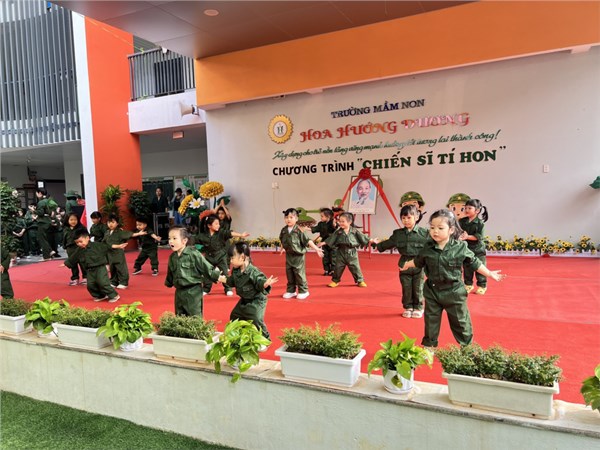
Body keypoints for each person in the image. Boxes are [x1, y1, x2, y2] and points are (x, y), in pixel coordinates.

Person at [401, 209, 506, 347]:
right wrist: (406, 265)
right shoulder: (427, 247)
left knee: (460, 322)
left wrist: (489, 273)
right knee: (431, 321)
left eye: (440, 228)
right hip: (432, 291)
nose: (435, 231)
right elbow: (418, 261)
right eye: (432, 227)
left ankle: (466, 347)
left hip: (454, 292)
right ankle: (429, 347)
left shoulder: (460, 247)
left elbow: (474, 262)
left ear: (451, 230)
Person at [374, 205, 429, 318]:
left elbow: (434, 244)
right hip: (404, 264)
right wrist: (377, 245)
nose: (406, 220)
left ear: (416, 217)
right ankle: (408, 307)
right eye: (403, 218)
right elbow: (388, 243)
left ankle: (418, 307)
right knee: (406, 287)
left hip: (419, 264)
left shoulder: (425, 233)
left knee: (418, 287)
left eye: (409, 217)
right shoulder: (398, 234)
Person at [218, 241, 278, 339]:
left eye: (232, 258)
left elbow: (259, 280)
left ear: (242, 257)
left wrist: (265, 283)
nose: (231, 261)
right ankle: (239, 336)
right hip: (244, 300)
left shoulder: (253, 272)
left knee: (255, 319)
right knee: (235, 316)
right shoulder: (236, 270)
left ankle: (265, 339)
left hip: (256, 300)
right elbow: (232, 281)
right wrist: (221, 278)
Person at [165, 226, 223, 317]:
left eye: (174, 238)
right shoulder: (172, 257)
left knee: (194, 316)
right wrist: (169, 283)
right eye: (169, 239)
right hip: (179, 292)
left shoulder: (194, 254)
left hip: (193, 291)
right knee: (179, 316)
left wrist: (217, 276)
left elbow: (205, 267)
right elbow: (170, 272)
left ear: (184, 241)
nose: (171, 241)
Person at [60, 229, 121, 302]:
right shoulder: (79, 250)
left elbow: (107, 247)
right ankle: (100, 295)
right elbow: (74, 257)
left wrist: (118, 246)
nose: (79, 244)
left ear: (87, 238)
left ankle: (114, 295)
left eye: (80, 241)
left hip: (100, 268)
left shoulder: (97, 245)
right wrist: (66, 263)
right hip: (89, 270)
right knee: (90, 285)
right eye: (77, 243)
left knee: (103, 283)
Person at [195, 214, 249, 296]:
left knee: (224, 272)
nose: (218, 225)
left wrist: (241, 235)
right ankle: (206, 289)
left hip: (221, 256)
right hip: (209, 257)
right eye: (216, 224)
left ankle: (228, 288)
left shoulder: (221, 233)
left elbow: (230, 233)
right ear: (209, 225)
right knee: (207, 273)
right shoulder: (203, 235)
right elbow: (194, 240)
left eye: (219, 224)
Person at [279, 208, 323, 300]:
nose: (288, 219)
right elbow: (282, 240)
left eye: (291, 217)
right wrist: (282, 248)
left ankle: (304, 291)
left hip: (298, 256)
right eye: (286, 217)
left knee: (299, 273)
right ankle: (291, 291)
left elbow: (307, 241)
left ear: (296, 219)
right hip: (289, 256)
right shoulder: (284, 230)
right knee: (289, 273)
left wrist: (316, 249)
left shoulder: (299, 230)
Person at [324, 212, 375, 288]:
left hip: (352, 252)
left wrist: (371, 240)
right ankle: (335, 281)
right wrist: (322, 243)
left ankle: (360, 280)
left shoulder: (354, 231)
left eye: (343, 221)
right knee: (338, 267)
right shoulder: (338, 232)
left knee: (355, 267)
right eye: (340, 221)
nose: (340, 223)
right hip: (340, 252)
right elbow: (331, 239)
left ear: (349, 222)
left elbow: (363, 237)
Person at [104, 214, 145, 289]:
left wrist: (139, 233)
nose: (110, 224)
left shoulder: (120, 232)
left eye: (113, 222)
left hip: (118, 253)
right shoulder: (107, 232)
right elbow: (104, 242)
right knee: (112, 269)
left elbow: (129, 234)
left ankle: (124, 282)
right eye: (109, 222)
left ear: (117, 223)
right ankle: (114, 281)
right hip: (110, 254)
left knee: (121, 268)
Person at [459, 199, 489, 295]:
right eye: (465, 208)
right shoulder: (462, 221)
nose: (466, 210)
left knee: (480, 268)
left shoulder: (480, 223)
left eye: (469, 208)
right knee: (467, 268)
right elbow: (458, 231)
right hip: (466, 249)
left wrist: (467, 237)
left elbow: (479, 237)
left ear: (477, 210)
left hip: (478, 250)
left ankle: (482, 286)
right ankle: (468, 284)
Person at [62, 212, 88, 286]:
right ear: (67, 220)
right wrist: (64, 246)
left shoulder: (82, 228)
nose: (73, 221)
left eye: (75, 220)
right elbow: (64, 239)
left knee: (83, 263)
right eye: (71, 220)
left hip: (80, 248)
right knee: (72, 264)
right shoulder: (66, 229)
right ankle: (75, 278)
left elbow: (86, 237)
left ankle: (86, 277)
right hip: (70, 249)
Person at [311, 207, 336, 275]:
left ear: (328, 216)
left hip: (333, 243)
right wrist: (307, 228)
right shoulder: (321, 224)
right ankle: (326, 270)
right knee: (325, 257)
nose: (321, 218)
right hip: (324, 242)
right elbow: (315, 228)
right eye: (321, 216)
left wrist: (335, 225)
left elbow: (336, 229)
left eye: (322, 216)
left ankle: (333, 270)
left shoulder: (333, 222)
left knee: (333, 257)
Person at [34, 188, 56, 260]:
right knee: (45, 238)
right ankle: (50, 251)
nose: (36, 195)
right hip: (48, 221)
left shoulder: (41, 202)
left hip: (42, 221)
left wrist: (33, 210)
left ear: (40, 193)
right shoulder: (49, 201)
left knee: (41, 239)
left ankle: (47, 256)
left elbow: (40, 213)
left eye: (36, 193)